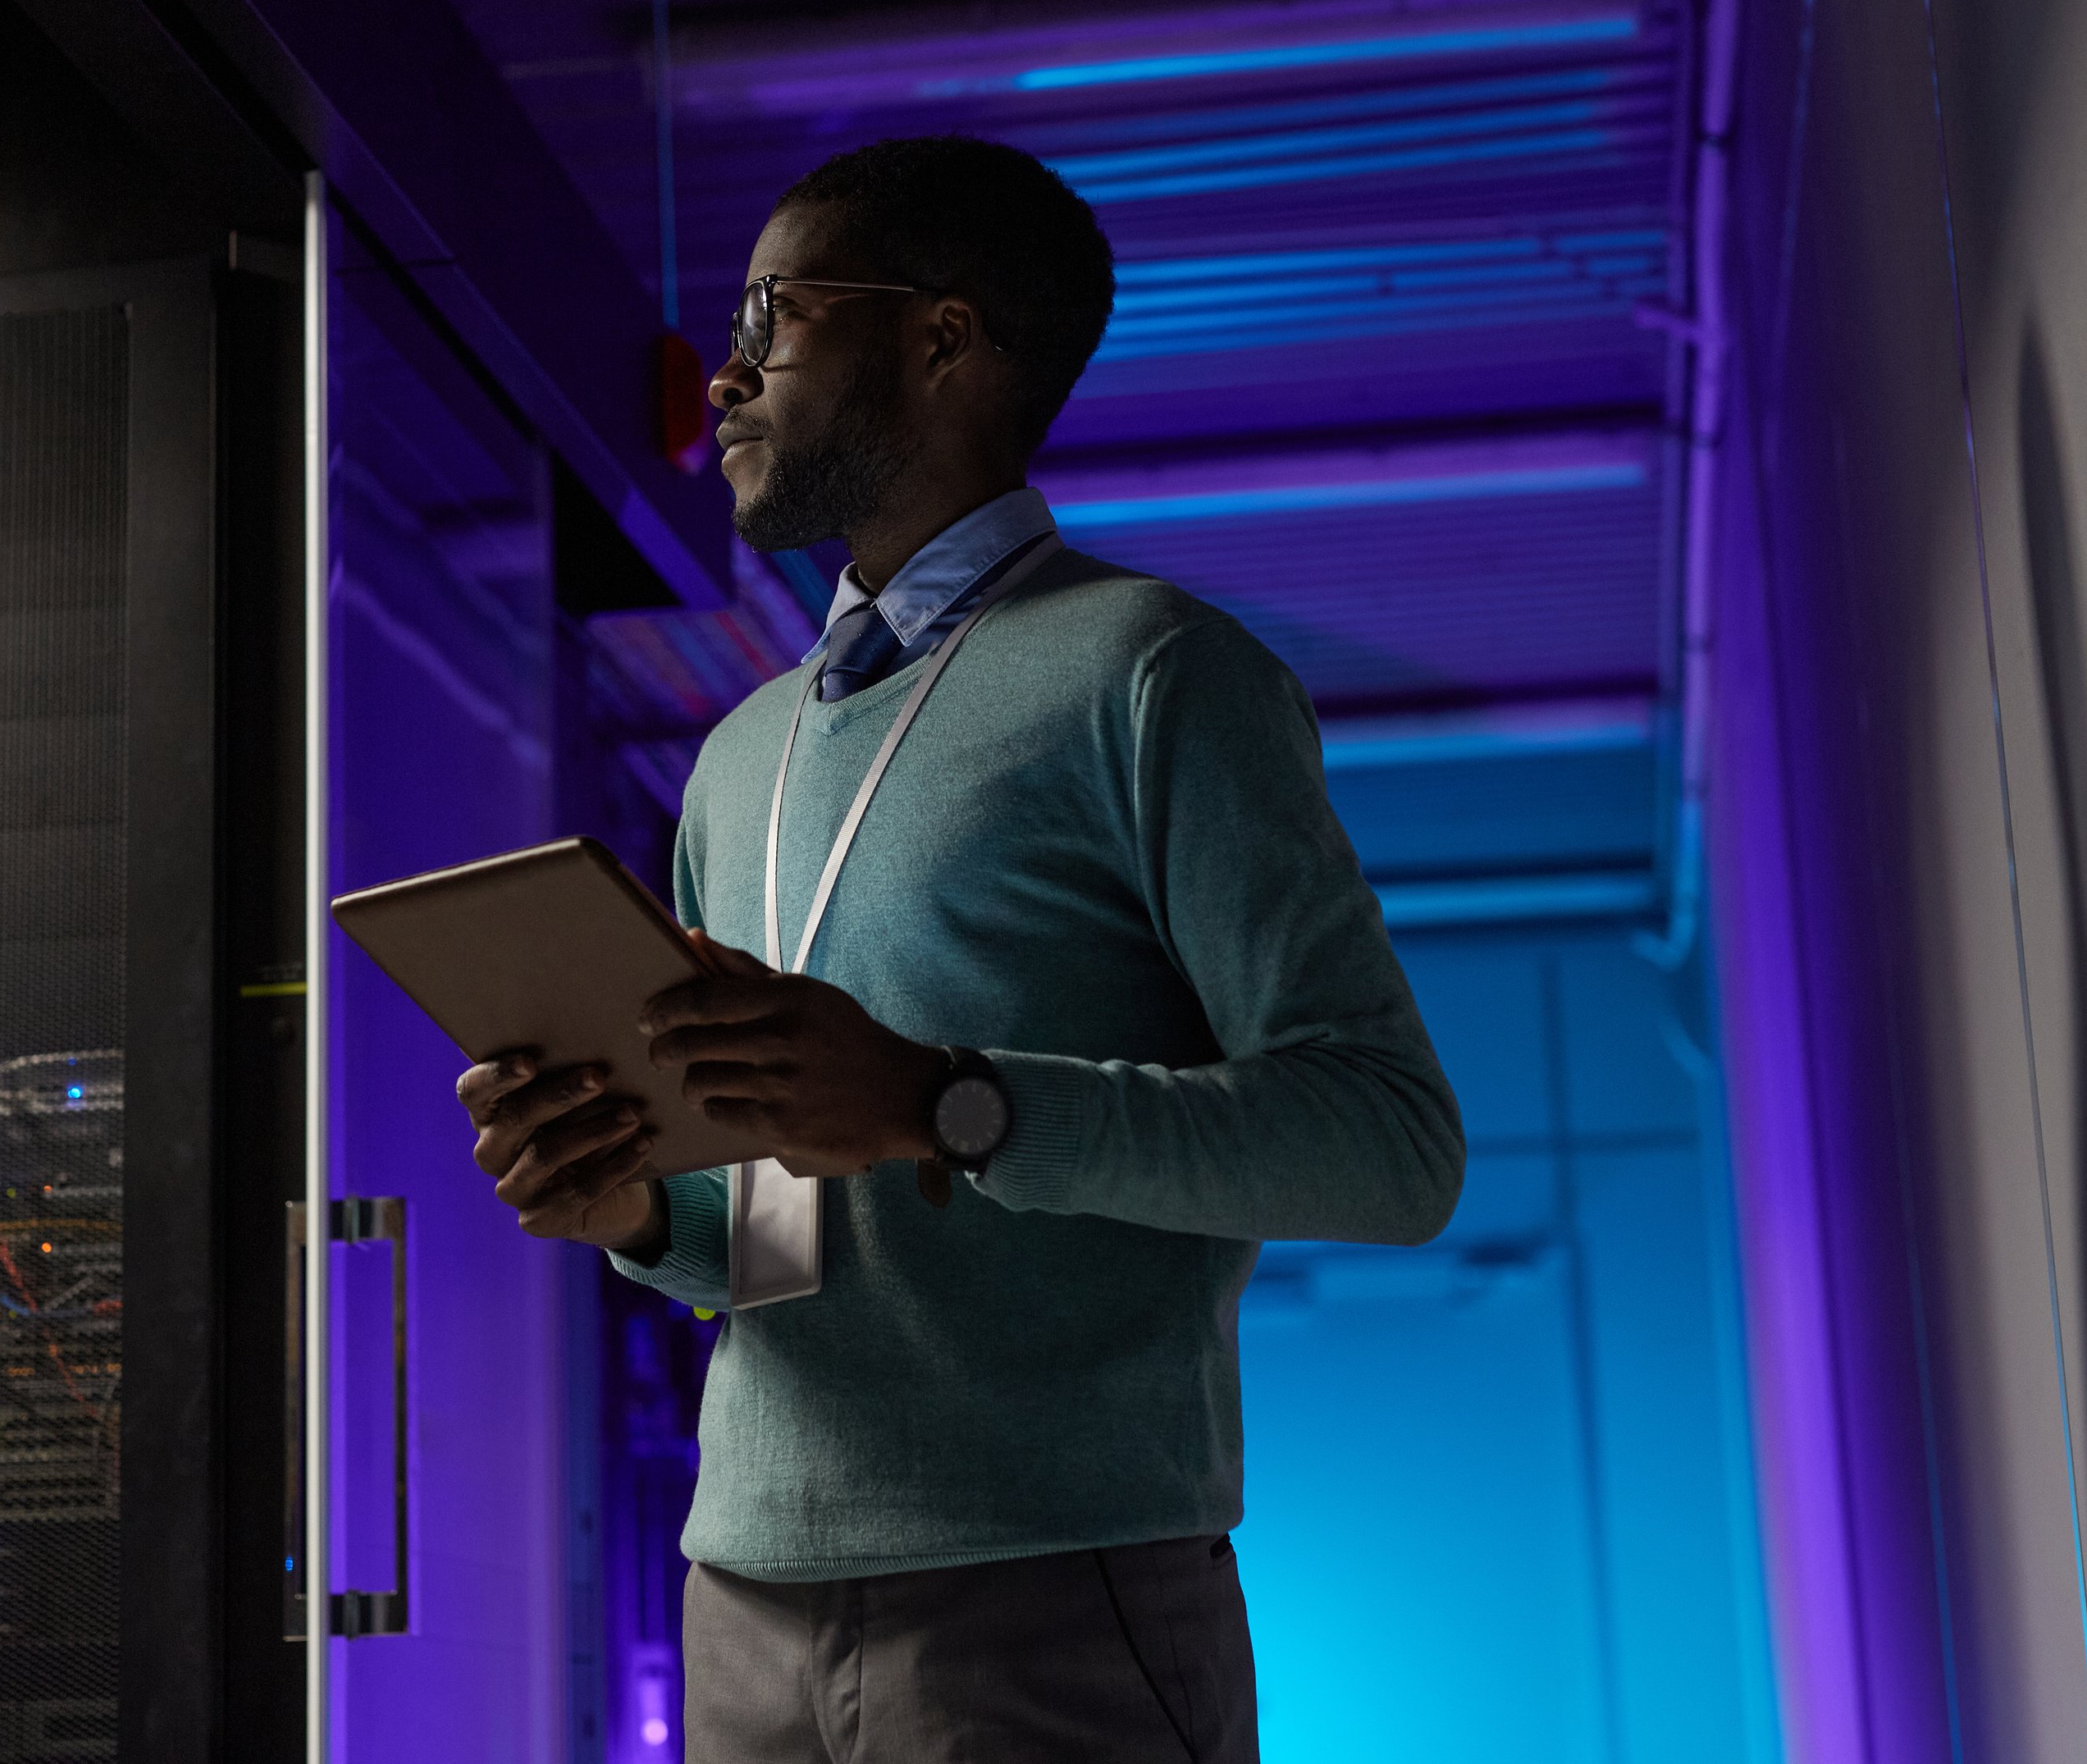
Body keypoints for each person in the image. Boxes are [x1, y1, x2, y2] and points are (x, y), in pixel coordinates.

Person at [454, 137, 1465, 1762]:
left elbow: (1391, 1143)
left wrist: (948, 1100)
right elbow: (786, 1223)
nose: (720, 376)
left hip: (1053, 1592)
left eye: (775, 317)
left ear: (941, 338)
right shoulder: (738, 753)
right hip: (741, 1591)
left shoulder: (1159, 673)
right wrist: (640, 1207)